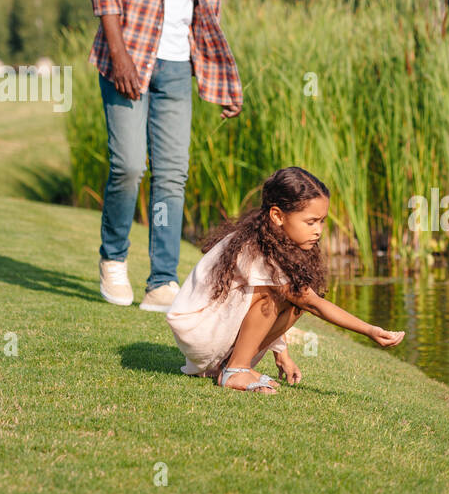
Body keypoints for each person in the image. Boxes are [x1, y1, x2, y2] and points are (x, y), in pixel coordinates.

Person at [89, 0, 243, 312]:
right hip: (129, 57)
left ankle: (161, 281)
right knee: (129, 165)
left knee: (172, 176)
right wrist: (120, 57)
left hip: (178, 67)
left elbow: (207, 20)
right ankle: (113, 259)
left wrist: (219, 83)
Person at [166, 167, 406, 394]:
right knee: (289, 295)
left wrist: (282, 354)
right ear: (278, 216)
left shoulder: (274, 242)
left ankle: (229, 366)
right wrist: (369, 330)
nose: (318, 230)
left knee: (294, 302)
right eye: (311, 222)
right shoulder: (256, 248)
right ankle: (235, 370)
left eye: (322, 221)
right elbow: (310, 303)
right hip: (200, 331)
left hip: (214, 330)